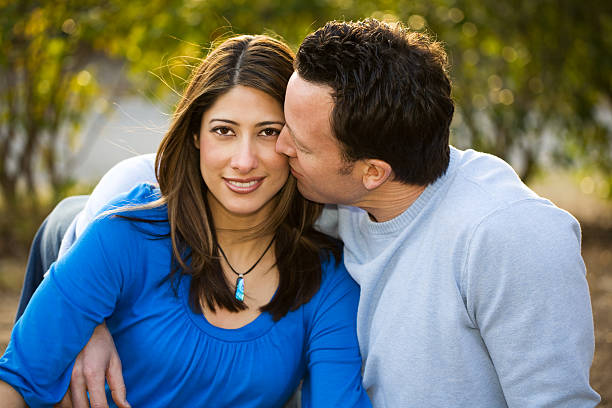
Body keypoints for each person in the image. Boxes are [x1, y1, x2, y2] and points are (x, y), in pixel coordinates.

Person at [13, 19, 600, 407]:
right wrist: (82, 309)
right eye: (276, 126)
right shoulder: (332, 195)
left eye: (285, 135)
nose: (268, 155)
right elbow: (152, 178)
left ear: (370, 171)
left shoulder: (505, 235)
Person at [0, 34, 372, 407]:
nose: (243, 160)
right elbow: (16, 382)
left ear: (297, 141)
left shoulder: (326, 279)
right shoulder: (126, 235)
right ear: (196, 135)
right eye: (224, 131)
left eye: (268, 132)